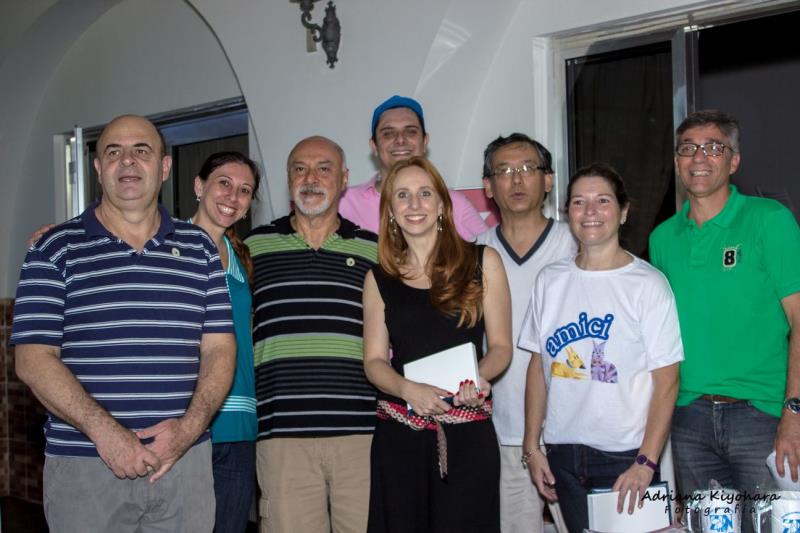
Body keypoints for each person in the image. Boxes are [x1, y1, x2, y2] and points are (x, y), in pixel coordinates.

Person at [10, 115, 236, 532]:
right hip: (86, 465)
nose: (127, 161)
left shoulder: (200, 248)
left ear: (164, 167)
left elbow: (220, 350)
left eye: (141, 151)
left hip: (184, 464)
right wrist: (108, 435)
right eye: (113, 152)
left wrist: (187, 431)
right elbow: (32, 359)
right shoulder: (53, 248)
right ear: (98, 169)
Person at [649, 110, 800, 531]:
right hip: (688, 418)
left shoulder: (769, 220)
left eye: (714, 147)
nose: (699, 157)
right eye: (688, 148)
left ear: (734, 161)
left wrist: (794, 412)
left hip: (762, 415)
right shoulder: (662, 239)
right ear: (676, 161)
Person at [519, 163, 683, 533]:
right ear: (567, 213)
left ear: (623, 212)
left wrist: (647, 462)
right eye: (579, 202)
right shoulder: (549, 280)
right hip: (562, 455)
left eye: (603, 201)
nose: (590, 211)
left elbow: (668, 381)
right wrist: (532, 448)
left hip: (626, 457)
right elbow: (537, 367)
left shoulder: (648, 284)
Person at [363, 155, 513, 533]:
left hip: (467, 433)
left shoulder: (483, 261)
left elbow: (501, 348)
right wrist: (406, 389)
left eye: (425, 193)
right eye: (402, 195)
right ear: (390, 211)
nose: (414, 204)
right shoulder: (378, 279)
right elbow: (374, 362)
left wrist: (477, 379)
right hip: (400, 436)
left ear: (443, 205)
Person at [245, 136, 378, 533]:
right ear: (288, 179)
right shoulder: (253, 248)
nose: (311, 178)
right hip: (281, 434)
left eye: (324, 168)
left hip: (362, 433)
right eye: (299, 169)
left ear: (344, 179)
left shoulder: (375, 250)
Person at [476, 133, 577, 533]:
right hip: (504, 432)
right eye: (504, 171)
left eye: (527, 169)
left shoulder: (577, 244)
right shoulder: (474, 252)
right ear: (488, 186)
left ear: (548, 180)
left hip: (573, 431)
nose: (516, 180)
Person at [191, 152, 261, 533]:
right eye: (224, 183)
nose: (233, 197)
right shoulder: (165, 246)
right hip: (186, 426)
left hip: (239, 424)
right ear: (199, 186)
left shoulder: (242, 257)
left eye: (244, 190)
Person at [339, 94, 488, 239]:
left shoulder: (454, 203)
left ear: (425, 141)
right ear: (374, 146)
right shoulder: (344, 203)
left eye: (410, 132)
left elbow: (490, 251)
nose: (400, 140)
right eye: (388, 133)